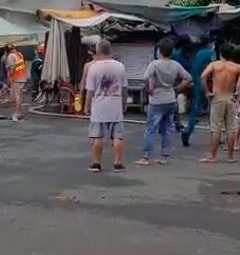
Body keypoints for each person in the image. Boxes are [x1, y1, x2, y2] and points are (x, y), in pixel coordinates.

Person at [136, 38, 191, 166]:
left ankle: (146, 157)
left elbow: (145, 77)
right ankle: (164, 156)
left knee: (150, 129)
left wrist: (149, 89)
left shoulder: (154, 64)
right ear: (171, 52)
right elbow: (188, 78)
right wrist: (177, 88)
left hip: (156, 99)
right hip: (170, 98)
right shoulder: (175, 65)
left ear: (159, 51)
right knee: (166, 129)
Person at [199, 43, 240, 164]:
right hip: (230, 97)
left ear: (221, 54)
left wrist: (207, 92)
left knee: (216, 128)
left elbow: (203, 77)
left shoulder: (214, 65)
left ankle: (212, 155)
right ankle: (230, 156)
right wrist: (239, 92)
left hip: (217, 97)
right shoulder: (237, 67)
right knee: (231, 128)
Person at [85, 40, 127, 173]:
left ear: (98, 51)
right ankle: (118, 163)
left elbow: (90, 90)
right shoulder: (120, 66)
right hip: (115, 105)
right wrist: (124, 103)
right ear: (110, 50)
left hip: (99, 106)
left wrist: (87, 105)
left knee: (97, 136)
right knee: (117, 136)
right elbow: (125, 88)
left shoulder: (93, 67)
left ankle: (96, 163)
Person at [181, 35, 216, 147]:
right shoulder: (211, 53)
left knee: (196, 110)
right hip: (207, 85)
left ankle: (188, 132)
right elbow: (214, 68)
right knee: (213, 111)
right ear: (210, 43)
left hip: (197, 84)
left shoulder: (198, 54)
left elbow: (195, 69)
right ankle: (215, 136)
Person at [5, 43, 27, 121]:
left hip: (15, 78)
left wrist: (10, 77)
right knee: (19, 96)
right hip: (22, 78)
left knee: (15, 97)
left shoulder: (11, 56)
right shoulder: (19, 54)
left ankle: (15, 114)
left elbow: (12, 67)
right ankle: (19, 113)